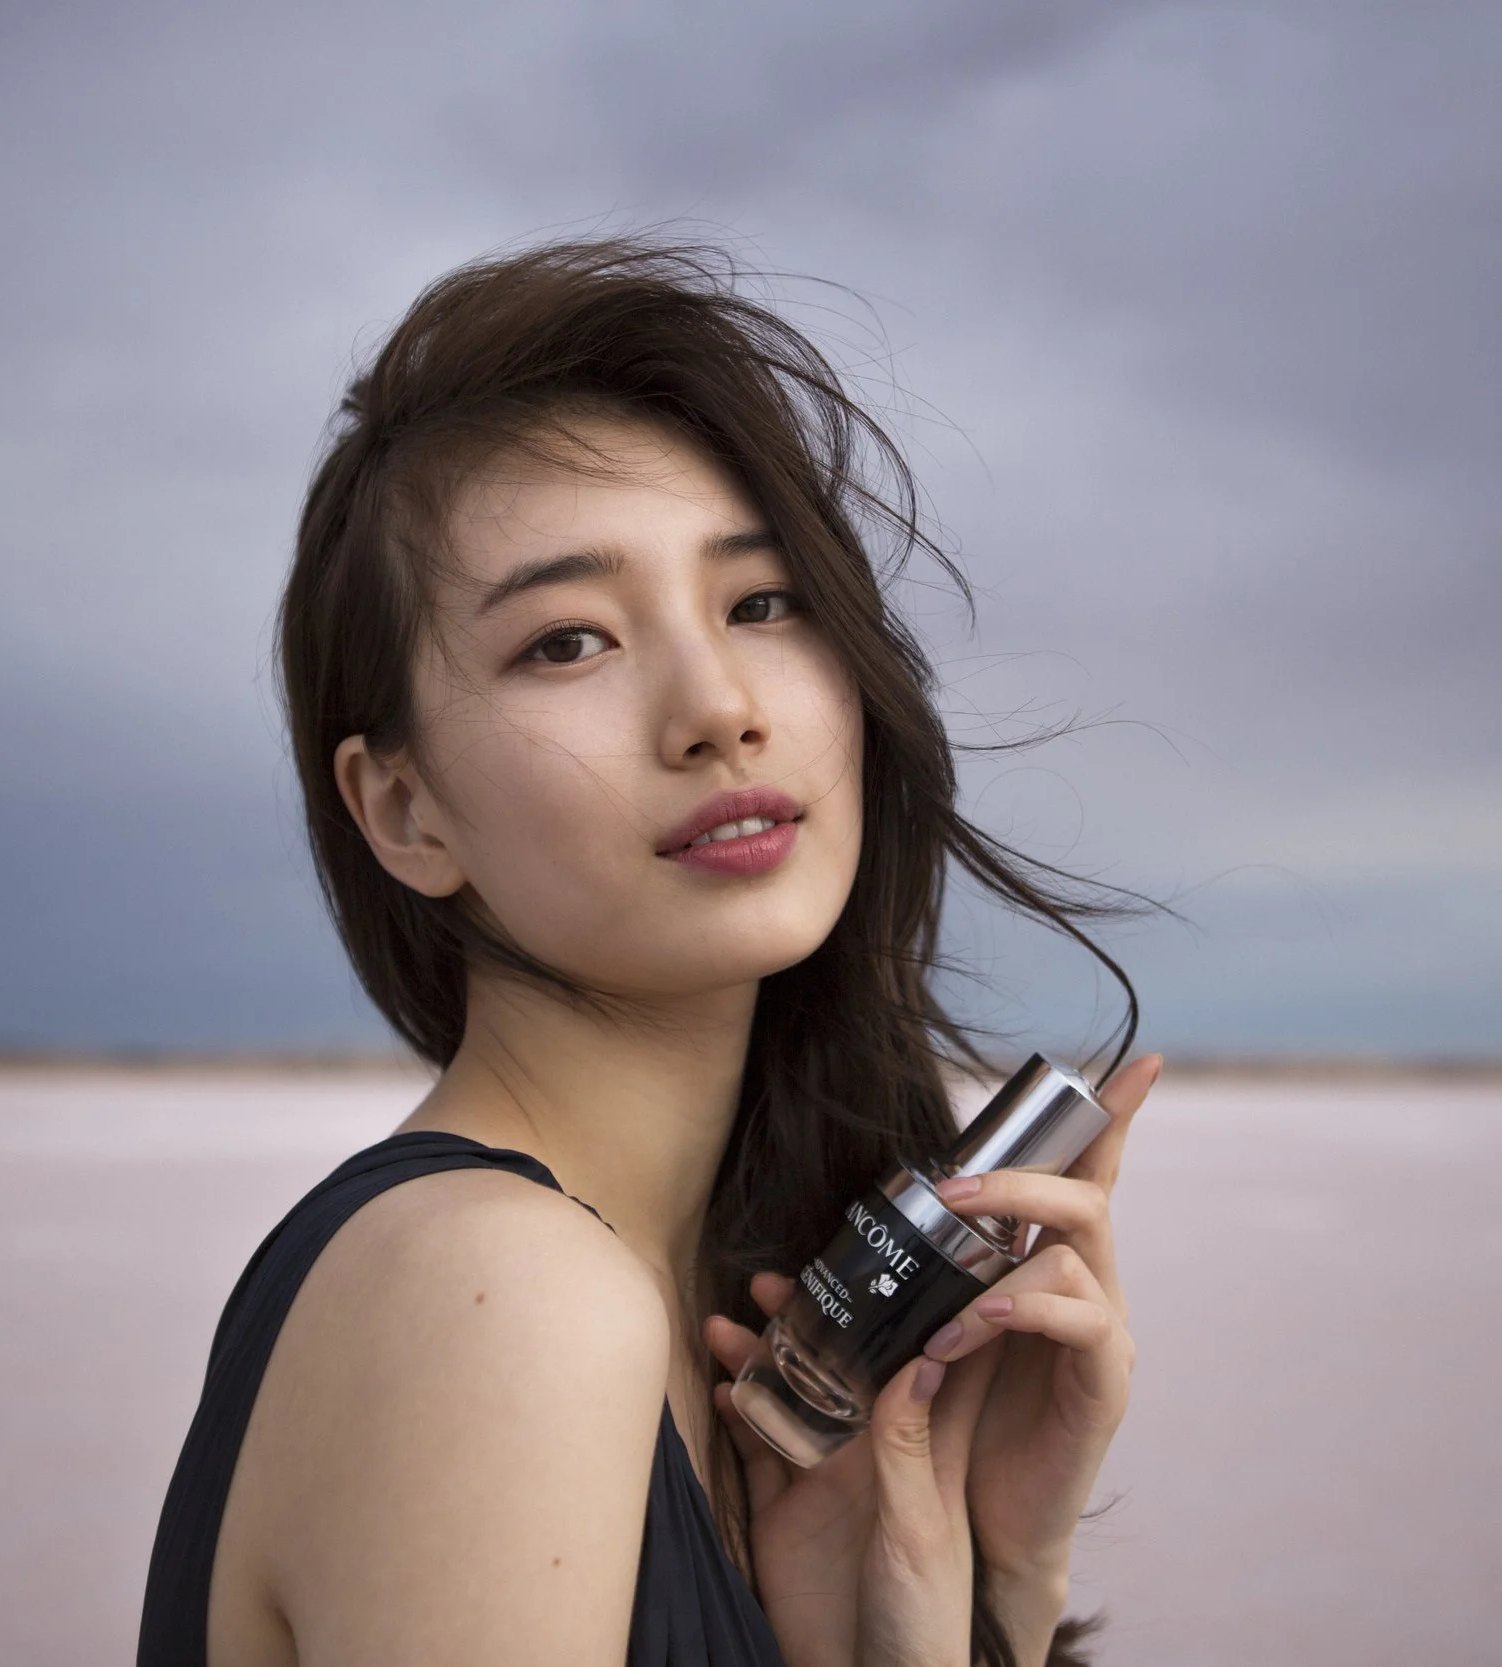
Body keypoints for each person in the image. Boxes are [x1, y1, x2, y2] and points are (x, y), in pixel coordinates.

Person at [138, 237, 1162, 1667]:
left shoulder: (708, 1322)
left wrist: (1000, 1572)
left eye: (760, 601)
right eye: (568, 640)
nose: (717, 705)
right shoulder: (498, 1298)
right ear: (405, 808)